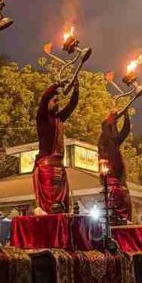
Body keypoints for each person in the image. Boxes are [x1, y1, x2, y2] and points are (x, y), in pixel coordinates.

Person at [34, 79, 79, 213]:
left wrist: (76, 89)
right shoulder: (42, 118)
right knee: (50, 205)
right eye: (55, 101)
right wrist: (57, 84)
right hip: (47, 167)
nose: (57, 104)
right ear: (48, 103)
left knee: (63, 204)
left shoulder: (59, 119)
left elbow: (72, 105)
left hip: (59, 167)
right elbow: (44, 97)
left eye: (58, 101)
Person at [98, 108, 132, 222]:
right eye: (114, 126)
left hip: (120, 181)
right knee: (114, 210)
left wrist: (126, 117)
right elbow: (106, 128)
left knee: (126, 206)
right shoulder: (104, 140)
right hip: (111, 182)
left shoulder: (115, 141)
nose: (115, 128)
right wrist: (112, 117)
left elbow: (125, 131)